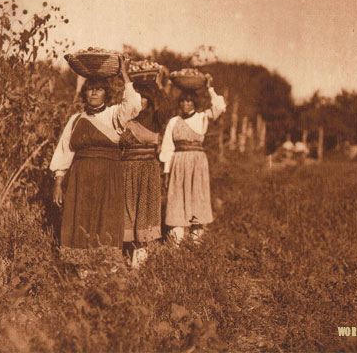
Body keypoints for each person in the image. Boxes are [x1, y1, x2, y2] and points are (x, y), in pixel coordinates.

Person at [50, 58, 141, 263]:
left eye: (99, 89)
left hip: (109, 178)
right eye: (90, 89)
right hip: (80, 180)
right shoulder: (76, 120)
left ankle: (106, 273)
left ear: (106, 94)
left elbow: (134, 105)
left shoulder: (114, 115)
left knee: (106, 222)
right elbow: (64, 152)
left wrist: (124, 74)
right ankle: (82, 272)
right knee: (80, 221)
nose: (94, 93)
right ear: (85, 93)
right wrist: (58, 183)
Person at [159, 74, 226, 245]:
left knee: (197, 199)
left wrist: (210, 88)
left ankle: (196, 244)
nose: (186, 104)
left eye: (189, 101)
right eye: (183, 101)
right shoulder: (174, 122)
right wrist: (166, 172)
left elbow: (220, 107)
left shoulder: (202, 117)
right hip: (178, 164)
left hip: (197, 164)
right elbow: (168, 147)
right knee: (177, 199)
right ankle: (176, 243)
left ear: (195, 103)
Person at [120, 73, 172, 266]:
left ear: (150, 101)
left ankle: (140, 261)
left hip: (147, 171)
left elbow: (168, 106)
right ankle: (123, 257)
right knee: (126, 210)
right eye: (137, 97)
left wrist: (158, 85)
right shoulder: (124, 118)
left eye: (144, 97)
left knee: (145, 210)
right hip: (125, 170)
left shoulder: (155, 118)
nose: (140, 102)